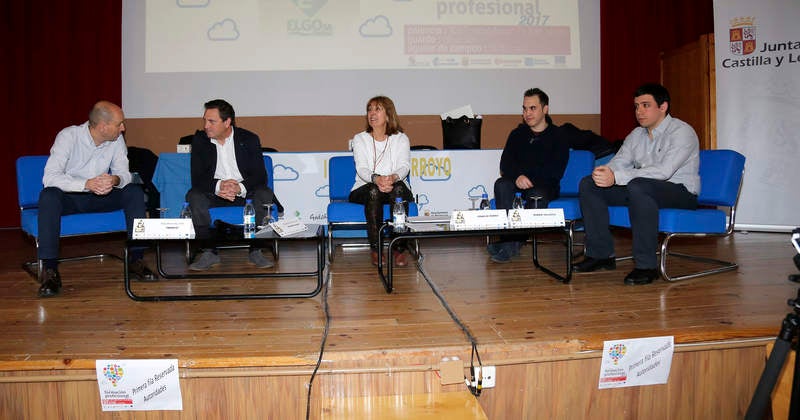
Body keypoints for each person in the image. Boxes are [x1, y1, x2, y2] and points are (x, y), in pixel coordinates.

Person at [572, 83, 700, 285]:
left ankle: (646, 266)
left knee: (639, 185)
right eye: (636, 106)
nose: (639, 111)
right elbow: (619, 161)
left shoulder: (682, 132)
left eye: (645, 105)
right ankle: (600, 255)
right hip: (642, 190)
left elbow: (664, 171)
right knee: (590, 184)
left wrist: (617, 177)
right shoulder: (636, 135)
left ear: (663, 106)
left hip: (680, 192)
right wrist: (606, 172)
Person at [37, 101, 155, 297]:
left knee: (133, 191)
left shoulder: (116, 140)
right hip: (72, 197)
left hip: (103, 196)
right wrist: (86, 184)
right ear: (103, 126)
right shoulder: (69, 136)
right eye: (119, 124)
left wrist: (115, 179)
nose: (123, 128)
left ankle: (136, 259)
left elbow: (125, 175)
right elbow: (49, 177)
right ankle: (50, 271)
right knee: (48, 196)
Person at [185, 99, 278, 270]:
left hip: (244, 194)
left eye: (211, 121)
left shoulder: (249, 139)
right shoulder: (200, 141)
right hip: (214, 194)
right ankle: (209, 251)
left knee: (264, 193)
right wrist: (220, 185)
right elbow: (197, 178)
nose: (206, 126)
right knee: (194, 195)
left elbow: (259, 176)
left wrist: (238, 187)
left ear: (227, 122)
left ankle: (256, 250)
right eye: (205, 120)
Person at [487, 88, 570, 263]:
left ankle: (510, 245)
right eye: (524, 109)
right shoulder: (517, 134)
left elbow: (556, 170)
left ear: (545, 109)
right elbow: (505, 164)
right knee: (501, 184)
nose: (527, 113)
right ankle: (509, 242)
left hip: (544, 185)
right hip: (518, 182)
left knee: (536, 194)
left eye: (532, 108)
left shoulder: (559, 136)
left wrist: (529, 179)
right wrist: (518, 176)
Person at [349, 96, 414, 267]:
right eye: (369, 109)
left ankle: (399, 248)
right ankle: (376, 249)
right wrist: (376, 179)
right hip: (365, 186)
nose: (372, 113)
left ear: (388, 114)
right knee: (373, 190)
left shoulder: (401, 138)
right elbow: (361, 168)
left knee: (399, 190)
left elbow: (404, 166)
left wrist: (392, 178)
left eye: (377, 109)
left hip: (395, 185)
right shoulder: (360, 139)